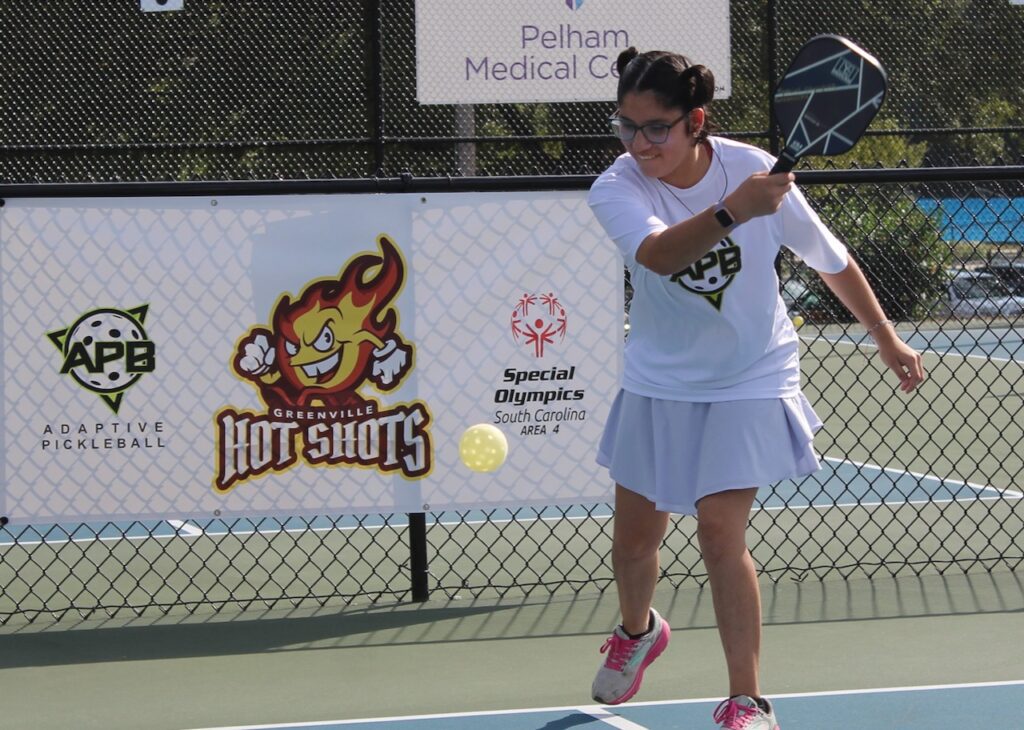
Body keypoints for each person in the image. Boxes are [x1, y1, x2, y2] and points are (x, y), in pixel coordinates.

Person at [586, 48, 925, 730]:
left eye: (657, 128)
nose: (640, 142)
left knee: (719, 533)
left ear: (695, 122)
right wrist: (733, 213)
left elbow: (829, 258)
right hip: (661, 378)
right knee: (634, 544)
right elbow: (658, 257)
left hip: (752, 372)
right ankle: (639, 631)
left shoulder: (748, 169)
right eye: (626, 125)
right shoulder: (618, 187)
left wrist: (886, 338)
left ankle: (747, 700)